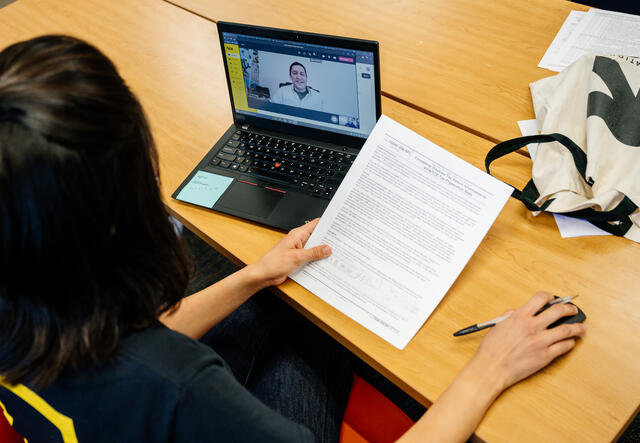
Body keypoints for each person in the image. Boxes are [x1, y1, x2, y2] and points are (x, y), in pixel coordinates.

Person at [0, 35, 586, 443]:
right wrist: (490, 367)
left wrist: (256, 273)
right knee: (318, 330)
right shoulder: (180, 387)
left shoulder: (30, 297)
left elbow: (130, 340)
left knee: (288, 293)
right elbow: (160, 365)